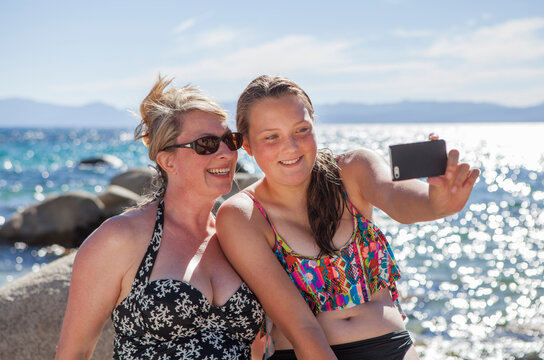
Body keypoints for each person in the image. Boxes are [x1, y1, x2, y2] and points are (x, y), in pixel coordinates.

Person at [216, 75, 480, 360]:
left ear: (315, 125)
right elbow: (302, 329)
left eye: (301, 129)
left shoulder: (353, 170)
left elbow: (398, 199)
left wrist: (438, 202)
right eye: (271, 136)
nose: (291, 146)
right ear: (248, 147)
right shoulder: (242, 215)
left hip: (391, 347)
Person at [56, 76, 267, 359]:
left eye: (230, 140)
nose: (227, 153)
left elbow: (256, 348)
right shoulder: (120, 238)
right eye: (206, 144)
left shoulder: (234, 237)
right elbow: (75, 352)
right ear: (167, 160)